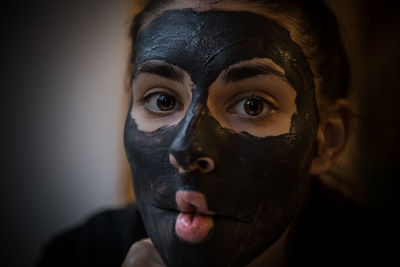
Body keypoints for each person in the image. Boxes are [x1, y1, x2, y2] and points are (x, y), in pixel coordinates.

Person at [37, 0, 398, 266]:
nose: (187, 149)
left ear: (327, 140)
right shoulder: (77, 255)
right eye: (162, 100)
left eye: (252, 105)